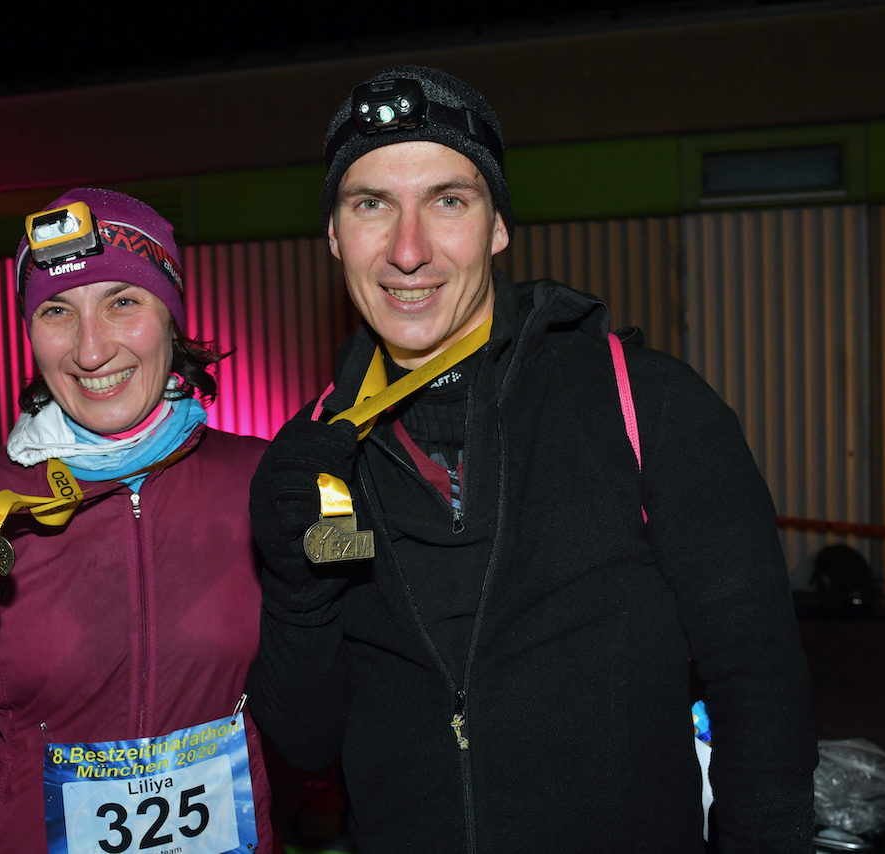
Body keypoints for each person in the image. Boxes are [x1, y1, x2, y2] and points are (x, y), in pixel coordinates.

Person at [246, 66, 818, 853]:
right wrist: (297, 587)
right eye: (372, 204)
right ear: (336, 236)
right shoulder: (314, 456)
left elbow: (760, 685)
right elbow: (305, 747)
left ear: (498, 227)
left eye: (449, 200)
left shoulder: (644, 403)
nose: (407, 250)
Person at [0, 188, 272, 854]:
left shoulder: (260, 483)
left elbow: (323, 727)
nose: (90, 351)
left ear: (172, 318)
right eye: (58, 311)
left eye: (123, 302)